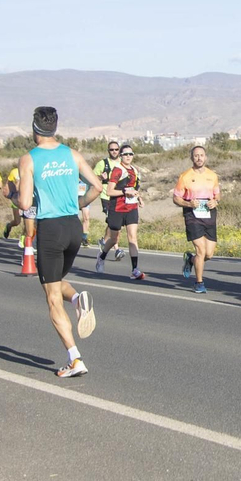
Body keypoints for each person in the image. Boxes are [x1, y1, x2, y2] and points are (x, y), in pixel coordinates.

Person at [19, 106, 102, 377]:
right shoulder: (72, 154)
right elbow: (97, 187)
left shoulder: (29, 159)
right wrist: (79, 203)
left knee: (52, 296)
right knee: (55, 281)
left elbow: (24, 202)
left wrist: (15, 198)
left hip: (51, 228)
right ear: (55, 127)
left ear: (34, 128)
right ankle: (78, 298)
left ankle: (75, 358)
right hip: (73, 227)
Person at [173, 144, 221, 294]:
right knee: (201, 250)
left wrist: (216, 201)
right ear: (192, 158)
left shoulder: (212, 175)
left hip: (209, 214)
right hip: (192, 215)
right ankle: (199, 283)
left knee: (209, 254)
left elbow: (217, 194)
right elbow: (176, 198)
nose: (199, 158)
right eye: (196, 156)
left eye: (201, 155)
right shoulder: (185, 176)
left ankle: (190, 260)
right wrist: (188, 203)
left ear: (205, 157)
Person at [96, 146, 145, 280]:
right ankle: (101, 257)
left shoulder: (135, 170)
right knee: (114, 239)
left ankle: (135, 269)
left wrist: (138, 197)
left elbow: (134, 188)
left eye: (130, 154)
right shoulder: (118, 170)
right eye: (125, 154)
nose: (128, 156)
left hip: (131, 208)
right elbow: (109, 191)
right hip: (117, 208)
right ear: (121, 156)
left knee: (132, 237)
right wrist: (124, 192)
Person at [92, 141, 122, 251]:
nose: (114, 152)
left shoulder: (123, 163)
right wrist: (100, 177)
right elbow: (92, 178)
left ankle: (104, 241)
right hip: (106, 196)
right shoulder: (102, 164)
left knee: (113, 223)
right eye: (111, 150)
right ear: (108, 151)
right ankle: (117, 249)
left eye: (116, 149)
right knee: (113, 222)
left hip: (119, 196)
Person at [2, 163, 23, 239]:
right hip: (16, 199)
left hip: (28, 199)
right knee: (17, 222)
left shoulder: (32, 171)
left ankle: (24, 238)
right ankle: (9, 226)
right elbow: (14, 187)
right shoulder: (15, 172)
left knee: (29, 221)